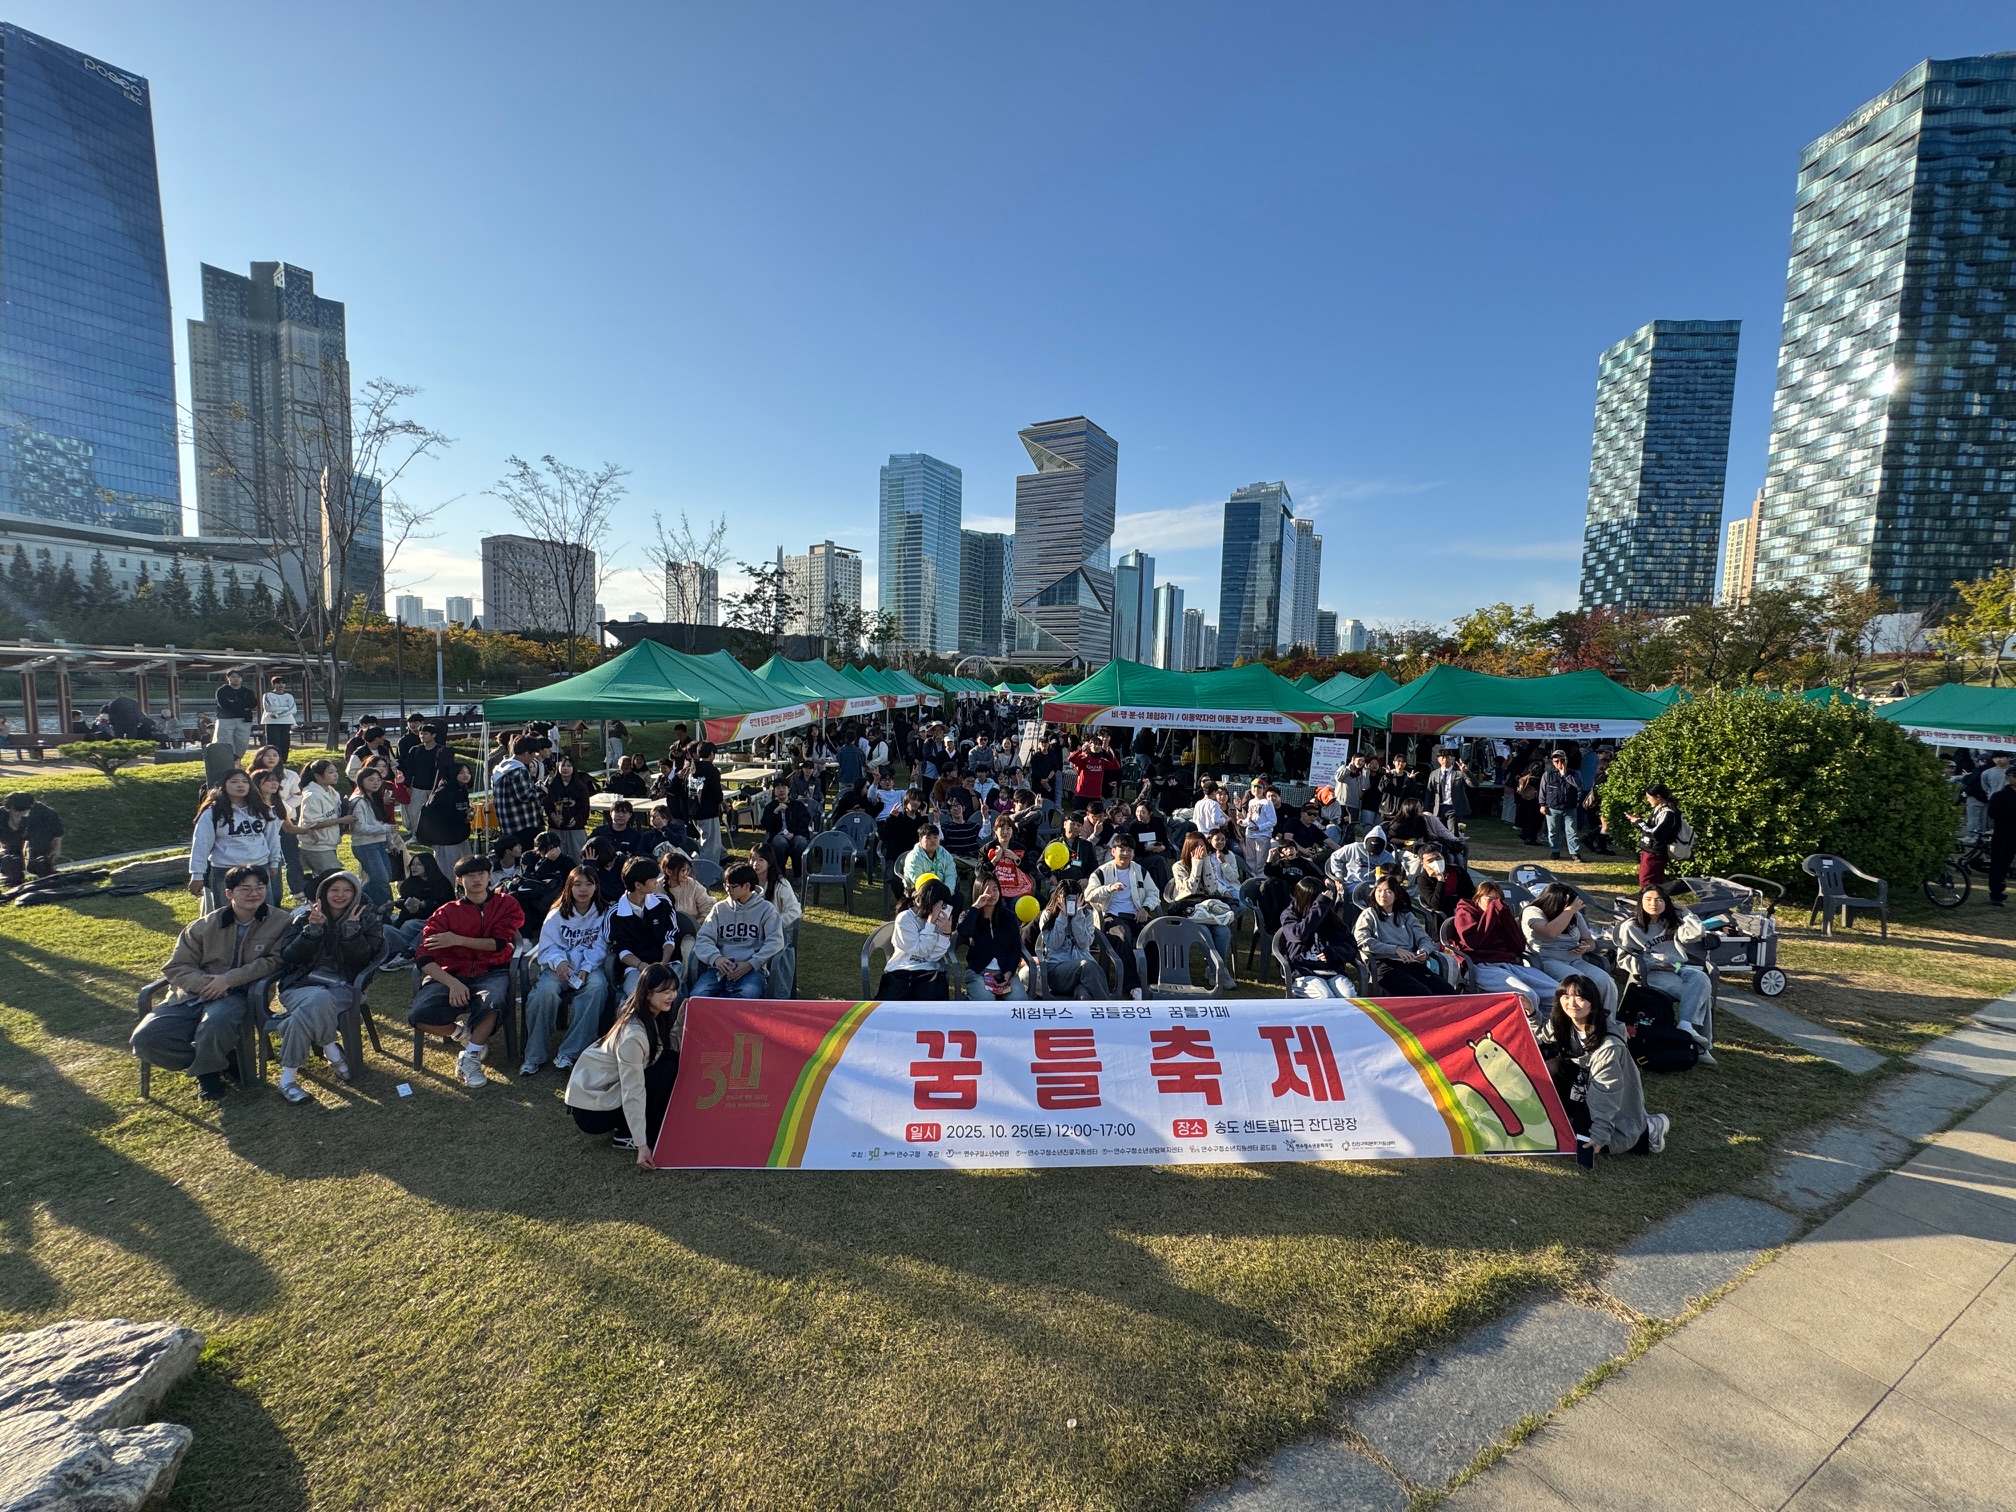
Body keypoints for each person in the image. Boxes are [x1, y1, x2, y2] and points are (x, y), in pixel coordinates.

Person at [130, 865, 288, 1100]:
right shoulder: (204, 926)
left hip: (240, 994)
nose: (253, 893)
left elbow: (275, 962)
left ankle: (208, 1076)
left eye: (260, 887)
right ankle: (219, 1061)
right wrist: (205, 985)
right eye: (245, 889)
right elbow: (176, 966)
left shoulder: (280, 922)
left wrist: (228, 980)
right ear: (229, 893)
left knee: (215, 1023)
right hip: (191, 994)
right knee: (145, 1039)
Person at [409, 854, 523, 1088]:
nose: (477, 879)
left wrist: (455, 939)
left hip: (491, 970)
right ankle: (464, 1036)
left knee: (494, 1000)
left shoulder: (506, 904)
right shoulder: (446, 912)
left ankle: (470, 1058)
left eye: (481, 873)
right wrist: (452, 982)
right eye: (469, 875)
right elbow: (423, 955)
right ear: (459, 880)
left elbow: (498, 943)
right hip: (450, 974)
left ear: (489, 876)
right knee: (418, 1016)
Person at [270, 869, 383, 1102]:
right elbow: (290, 957)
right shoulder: (305, 917)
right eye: (334, 890)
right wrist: (311, 931)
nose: (340, 895)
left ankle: (287, 1080)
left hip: (343, 987)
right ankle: (333, 1052)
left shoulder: (367, 919)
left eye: (347, 890)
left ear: (355, 894)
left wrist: (352, 933)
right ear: (323, 893)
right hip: (300, 986)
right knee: (317, 999)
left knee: (303, 1015)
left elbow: (364, 962)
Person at [564, 962, 680, 1165]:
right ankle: (628, 1133)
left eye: (674, 990)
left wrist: (681, 1020)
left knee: (670, 1061)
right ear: (647, 993)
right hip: (593, 1111)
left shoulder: (647, 1016)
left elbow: (663, 1048)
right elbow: (632, 1089)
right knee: (666, 1069)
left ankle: (644, 1126)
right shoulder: (633, 1035)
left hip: (607, 1092)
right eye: (665, 991)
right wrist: (641, 1144)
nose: (672, 996)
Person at [1545, 974, 1669, 1160]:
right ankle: (1570, 1117)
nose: (1572, 1003)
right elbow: (1543, 1035)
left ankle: (1649, 1129)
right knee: (1555, 1066)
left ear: (1592, 1003)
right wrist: (1530, 1012)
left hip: (1607, 1097)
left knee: (1584, 1141)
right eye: (1566, 996)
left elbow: (1605, 1092)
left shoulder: (1608, 1046)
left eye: (1580, 997)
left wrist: (1599, 1134)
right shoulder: (1565, 1023)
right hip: (1584, 1086)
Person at [523, 865, 614, 1076]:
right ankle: (534, 1056)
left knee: (597, 987)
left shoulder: (604, 913)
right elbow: (547, 945)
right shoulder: (556, 914)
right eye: (577, 884)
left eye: (589, 884)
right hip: (558, 969)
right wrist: (559, 961)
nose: (583, 890)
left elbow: (601, 946)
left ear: (596, 886)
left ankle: (570, 1053)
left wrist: (586, 968)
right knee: (543, 994)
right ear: (569, 887)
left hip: (589, 968)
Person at [1616, 884, 1714, 1058]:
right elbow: (1623, 959)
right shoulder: (1631, 927)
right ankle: (1699, 1046)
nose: (1654, 904)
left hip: (1676, 966)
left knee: (1700, 979)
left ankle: (1685, 1025)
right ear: (1641, 902)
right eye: (1648, 899)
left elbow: (1697, 933)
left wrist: (1685, 912)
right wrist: (1651, 965)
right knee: (1699, 995)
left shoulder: (1671, 922)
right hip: (1651, 971)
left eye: (1659, 900)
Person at [1450, 882, 1558, 1022]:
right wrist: (1492, 911)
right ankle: (1533, 1036)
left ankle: (1551, 1032)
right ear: (1477, 898)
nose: (1493, 904)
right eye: (1489, 900)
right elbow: (1473, 942)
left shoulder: (1499, 913)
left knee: (1557, 992)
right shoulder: (1465, 912)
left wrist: (1505, 916)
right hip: (1481, 965)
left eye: (1497, 900)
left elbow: (1518, 946)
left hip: (1510, 963)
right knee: (1527, 996)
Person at [1521, 882, 1619, 1016]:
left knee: (1606, 981)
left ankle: (1608, 1022)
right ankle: (1585, 1022)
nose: (1574, 908)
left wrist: (1585, 947)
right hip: (1547, 960)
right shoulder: (1533, 911)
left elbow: (1589, 941)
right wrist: (1569, 911)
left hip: (1575, 959)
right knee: (1581, 984)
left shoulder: (1575, 915)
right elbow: (1550, 932)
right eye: (1570, 904)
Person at [186, 772, 282, 909]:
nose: (240, 785)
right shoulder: (213, 813)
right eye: (234, 782)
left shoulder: (262, 810)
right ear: (223, 786)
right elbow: (201, 844)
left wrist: (274, 862)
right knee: (228, 915)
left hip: (259, 866)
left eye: (244, 781)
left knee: (264, 913)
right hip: (225, 868)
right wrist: (197, 875)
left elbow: (272, 838)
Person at [688, 863, 784, 999]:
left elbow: (775, 941)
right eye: (726, 886)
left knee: (747, 995)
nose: (728, 890)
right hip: (720, 969)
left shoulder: (767, 909)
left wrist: (751, 963)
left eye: (732, 887)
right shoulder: (719, 909)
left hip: (751, 969)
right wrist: (717, 958)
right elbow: (704, 938)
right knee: (699, 995)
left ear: (747, 886)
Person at [1087, 834, 1161, 1000]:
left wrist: (1145, 907)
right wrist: (1108, 889)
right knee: (1121, 936)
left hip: (1136, 915)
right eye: (1122, 850)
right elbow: (1089, 895)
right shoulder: (1101, 872)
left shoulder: (1140, 870)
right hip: (1112, 916)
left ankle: (1152, 983)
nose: (1125, 854)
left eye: (1129, 850)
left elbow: (1154, 893)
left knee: (1154, 936)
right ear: (1113, 851)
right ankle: (1133, 986)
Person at [1352, 874, 1443, 996]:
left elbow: (1424, 938)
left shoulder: (1406, 916)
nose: (1382, 895)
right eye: (1379, 891)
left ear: (1396, 896)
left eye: (1388, 891)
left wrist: (1424, 950)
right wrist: (1395, 950)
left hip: (1411, 962)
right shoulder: (1369, 914)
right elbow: (1363, 941)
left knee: (1445, 990)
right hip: (1384, 964)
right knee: (1421, 993)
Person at [610, 856, 683, 999]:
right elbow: (621, 949)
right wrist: (641, 965)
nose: (657, 881)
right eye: (653, 879)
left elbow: (671, 935)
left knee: (673, 994)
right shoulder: (615, 913)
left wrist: (663, 963)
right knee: (637, 997)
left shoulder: (663, 903)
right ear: (638, 885)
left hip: (668, 963)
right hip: (635, 968)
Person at [1278, 879, 1359, 995]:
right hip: (1304, 971)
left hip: (1331, 971)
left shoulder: (1329, 917)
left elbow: (1350, 945)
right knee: (1325, 995)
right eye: (1317, 901)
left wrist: (1333, 952)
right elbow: (1299, 935)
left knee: (1349, 995)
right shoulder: (1290, 914)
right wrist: (1320, 906)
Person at [880, 878, 956, 998]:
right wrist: (930, 925)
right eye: (939, 906)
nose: (942, 910)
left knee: (932, 1007)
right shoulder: (905, 919)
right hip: (902, 970)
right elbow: (921, 951)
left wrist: (946, 934)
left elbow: (933, 957)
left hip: (928, 973)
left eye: (944, 906)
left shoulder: (939, 920)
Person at [955, 874, 1028, 1000]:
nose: (992, 894)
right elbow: (963, 932)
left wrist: (1009, 972)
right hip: (978, 972)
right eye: (987, 890)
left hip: (1004, 973)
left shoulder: (1008, 917)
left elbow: (1015, 949)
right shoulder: (969, 915)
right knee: (986, 1001)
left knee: (1019, 1000)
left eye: (995, 889)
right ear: (979, 892)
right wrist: (976, 908)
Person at [1032, 881, 1108, 997]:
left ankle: (1101, 1011)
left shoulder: (1086, 915)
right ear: (1059, 898)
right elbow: (1054, 944)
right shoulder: (1048, 915)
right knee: (1087, 965)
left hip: (1083, 972)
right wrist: (1062, 917)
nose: (1070, 904)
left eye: (1074, 899)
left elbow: (1084, 943)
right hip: (1057, 969)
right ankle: (1108, 1009)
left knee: (1084, 995)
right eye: (1067, 900)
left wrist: (1078, 917)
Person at [748, 842, 801, 997]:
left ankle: (778, 996)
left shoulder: (780, 884)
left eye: (760, 860)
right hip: (752, 931)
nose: (755, 864)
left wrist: (774, 923)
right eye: (752, 859)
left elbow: (794, 910)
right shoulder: (747, 882)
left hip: (776, 930)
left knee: (782, 951)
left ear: (769, 862)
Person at [347, 766, 402, 908]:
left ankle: (357, 899)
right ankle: (387, 908)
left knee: (386, 877)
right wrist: (385, 829)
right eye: (371, 780)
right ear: (361, 781)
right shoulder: (359, 801)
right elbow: (359, 828)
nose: (376, 783)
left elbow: (381, 821)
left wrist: (390, 843)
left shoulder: (376, 798)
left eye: (378, 779)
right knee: (381, 880)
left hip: (379, 843)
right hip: (365, 845)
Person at [388, 851, 453, 960]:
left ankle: (408, 953)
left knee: (412, 926)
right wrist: (400, 904)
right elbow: (405, 904)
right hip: (411, 918)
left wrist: (424, 904)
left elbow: (448, 903)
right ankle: (403, 951)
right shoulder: (408, 884)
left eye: (418, 864)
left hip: (436, 920)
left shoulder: (442, 883)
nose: (414, 867)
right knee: (401, 926)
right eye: (413, 864)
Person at [416, 761, 476, 877]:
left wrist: (467, 815)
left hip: (460, 835)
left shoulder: (461, 789)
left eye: (468, 772)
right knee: (449, 871)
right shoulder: (443, 792)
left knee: (467, 865)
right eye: (461, 772)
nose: (466, 775)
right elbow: (439, 816)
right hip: (445, 839)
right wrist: (462, 816)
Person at [294, 759, 352, 879]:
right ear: (317, 776)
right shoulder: (312, 796)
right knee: (335, 879)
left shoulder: (331, 791)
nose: (335, 775)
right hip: (316, 846)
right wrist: (342, 820)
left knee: (325, 881)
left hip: (329, 844)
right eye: (330, 772)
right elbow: (312, 823)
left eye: (335, 771)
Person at [491, 736, 548, 855]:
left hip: (507, 823)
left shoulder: (501, 767)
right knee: (527, 856)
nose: (533, 758)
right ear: (526, 753)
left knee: (513, 855)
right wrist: (542, 790)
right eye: (533, 754)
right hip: (523, 823)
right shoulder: (519, 770)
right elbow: (525, 796)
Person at [1625, 784, 1685, 889]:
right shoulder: (1658, 809)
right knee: (1649, 882)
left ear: (1658, 797)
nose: (1647, 800)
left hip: (1655, 853)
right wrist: (1638, 822)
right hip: (1649, 850)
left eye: (1648, 797)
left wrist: (1639, 822)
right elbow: (1650, 828)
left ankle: (1649, 902)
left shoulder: (1668, 813)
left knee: (1648, 883)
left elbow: (1655, 834)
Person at [542, 752, 597, 860]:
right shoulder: (552, 784)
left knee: (578, 857)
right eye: (563, 765)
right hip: (556, 828)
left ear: (573, 768)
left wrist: (576, 819)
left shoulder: (580, 786)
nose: (565, 768)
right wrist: (553, 816)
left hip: (575, 829)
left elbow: (585, 808)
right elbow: (547, 805)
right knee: (556, 858)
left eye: (569, 766)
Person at [762, 778, 816, 879]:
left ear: (788, 789)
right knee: (779, 843)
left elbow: (804, 822)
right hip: (778, 836)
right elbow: (766, 824)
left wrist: (794, 833)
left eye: (783, 787)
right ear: (774, 791)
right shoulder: (770, 807)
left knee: (800, 843)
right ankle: (779, 875)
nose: (781, 790)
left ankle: (800, 875)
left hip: (795, 835)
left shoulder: (797, 805)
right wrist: (775, 812)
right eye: (778, 788)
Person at [1537, 749, 1583, 861]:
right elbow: (1542, 791)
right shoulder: (1548, 775)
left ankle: (1575, 852)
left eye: (1562, 760)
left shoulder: (1574, 773)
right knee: (1552, 832)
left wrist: (1565, 774)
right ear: (1553, 762)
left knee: (1572, 831)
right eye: (1556, 761)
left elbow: (1578, 784)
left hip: (1569, 807)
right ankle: (1555, 851)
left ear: (1566, 761)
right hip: (1552, 808)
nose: (1559, 763)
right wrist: (1542, 804)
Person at [982, 813, 1036, 905]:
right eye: (1002, 829)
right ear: (995, 830)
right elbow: (980, 871)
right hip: (995, 888)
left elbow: (1027, 869)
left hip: (1017, 888)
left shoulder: (1020, 848)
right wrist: (995, 859)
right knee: (1001, 905)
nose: (1005, 832)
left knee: (1018, 904)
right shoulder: (987, 848)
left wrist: (1016, 858)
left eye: (1008, 828)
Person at [901, 821, 960, 900]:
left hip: (943, 890)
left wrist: (947, 893)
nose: (933, 840)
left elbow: (951, 875)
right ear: (920, 840)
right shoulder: (913, 857)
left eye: (935, 837)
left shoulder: (945, 854)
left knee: (958, 898)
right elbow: (919, 881)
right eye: (928, 838)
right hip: (920, 891)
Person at [690, 742, 726, 863]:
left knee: (702, 842)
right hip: (709, 811)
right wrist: (723, 804)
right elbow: (716, 793)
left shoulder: (691, 769)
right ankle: (709, 873)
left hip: (694, 810)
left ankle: (700, 864)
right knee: (711, 846)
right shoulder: (712, 771)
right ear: (711, 754)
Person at [659, 848, 714, 923]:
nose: (686, 873)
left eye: (688, 869)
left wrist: (695, 924)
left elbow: (708, 907)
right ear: (669, 871)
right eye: (683, 870)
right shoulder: (656, 887)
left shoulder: (692, 885)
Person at [1068, 734, 1121, 811]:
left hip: (1095, 795)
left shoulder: (1102, 760)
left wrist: (1109, 751)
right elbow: (1071, 758)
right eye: (1095, 744)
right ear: (1090, 745)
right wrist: (1081, 749)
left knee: (1095, 816)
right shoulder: (1084, 757)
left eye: (1099, 745)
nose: (1097, 746)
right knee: (1079, 815)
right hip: (1082, 794)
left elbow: (1116, 766)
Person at [213, 670, 257, 758]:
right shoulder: (222, 691)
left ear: (241, 678)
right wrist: (243, 706)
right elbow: (224, 705)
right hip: (225, 720)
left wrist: (234, 703)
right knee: (224, 743)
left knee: (242, 744)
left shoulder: (247, 692)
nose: (236, 679)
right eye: (233, 677)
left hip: (244, 721)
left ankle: (237, 762)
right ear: (228, 678)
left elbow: (253, 703)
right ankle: (225, 762)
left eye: (238, 677)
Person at [1425, 748, 1474, 825]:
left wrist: (1466, 772)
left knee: (1452, 833)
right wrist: (1426, 809)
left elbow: (1473, 784)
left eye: (1448, 757)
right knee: (1439, 833)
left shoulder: (1458, 773)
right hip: (1439, 808)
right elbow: (1429, 792)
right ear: (1438, 759)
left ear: (1452, 759)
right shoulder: (1434, 774)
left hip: (1453, 807)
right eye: (1443, 757)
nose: (1445, 760)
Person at [1989, 773, 2016, 907]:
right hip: (2004, 834)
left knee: (2003, 865)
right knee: (2000, 865)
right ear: (2008, 778)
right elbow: (1992, 813)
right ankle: (1996, 894)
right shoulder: (2000, 796)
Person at [260, 676, 298, 762]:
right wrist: (285, 707)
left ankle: (283, 761)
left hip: (286, 722)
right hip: (272, 722)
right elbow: (269, 708)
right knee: (273, 743)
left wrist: (278, 714)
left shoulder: (289, 696)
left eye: (283, 683)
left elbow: (293, 709)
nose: (281, 685)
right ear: (273, 684)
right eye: (278, 683)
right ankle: (272, 761)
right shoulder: (267, 695)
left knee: (285, 743)